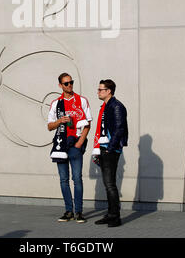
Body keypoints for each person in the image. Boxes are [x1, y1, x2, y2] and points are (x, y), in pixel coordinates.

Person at [48, 73, 92, 223]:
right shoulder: (56, 103)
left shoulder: (81, 100)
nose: (69, 85)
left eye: (71, 82)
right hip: (61, 144)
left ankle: (79, 212)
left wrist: (80, 142)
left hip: (75, 145)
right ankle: (68, 211)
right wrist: (60, 121)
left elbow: (88, 124)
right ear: (60, 85)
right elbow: (49, 126)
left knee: (77, 178)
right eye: (66, 83)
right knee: (63, 179)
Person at [92, 79, 128, 227]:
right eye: (98, 89)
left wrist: (109, 148)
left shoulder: (117, 106)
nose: (98, 92)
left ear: (109, 91)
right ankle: (110, 213)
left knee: (110, 184)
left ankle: (115, 216)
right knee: (108, 184)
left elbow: (120, 129)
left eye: (101, 89)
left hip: (110, 149)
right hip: (104, 147)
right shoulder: (106, 106)